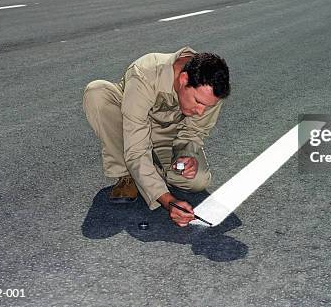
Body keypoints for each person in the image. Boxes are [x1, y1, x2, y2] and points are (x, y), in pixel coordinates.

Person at [83, 47, 230, 227]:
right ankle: (127, 174)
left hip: (168, 138)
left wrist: (186, 156)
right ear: (183, 80)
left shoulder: (210, 91)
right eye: (198, 103)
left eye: (206, 107)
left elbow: (193, 133)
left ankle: (151, 173)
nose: (200, 112)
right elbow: (136, 148)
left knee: (196, 180)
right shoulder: (145, 73)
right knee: (97, 93)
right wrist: (168, 201)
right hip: (129, 129)